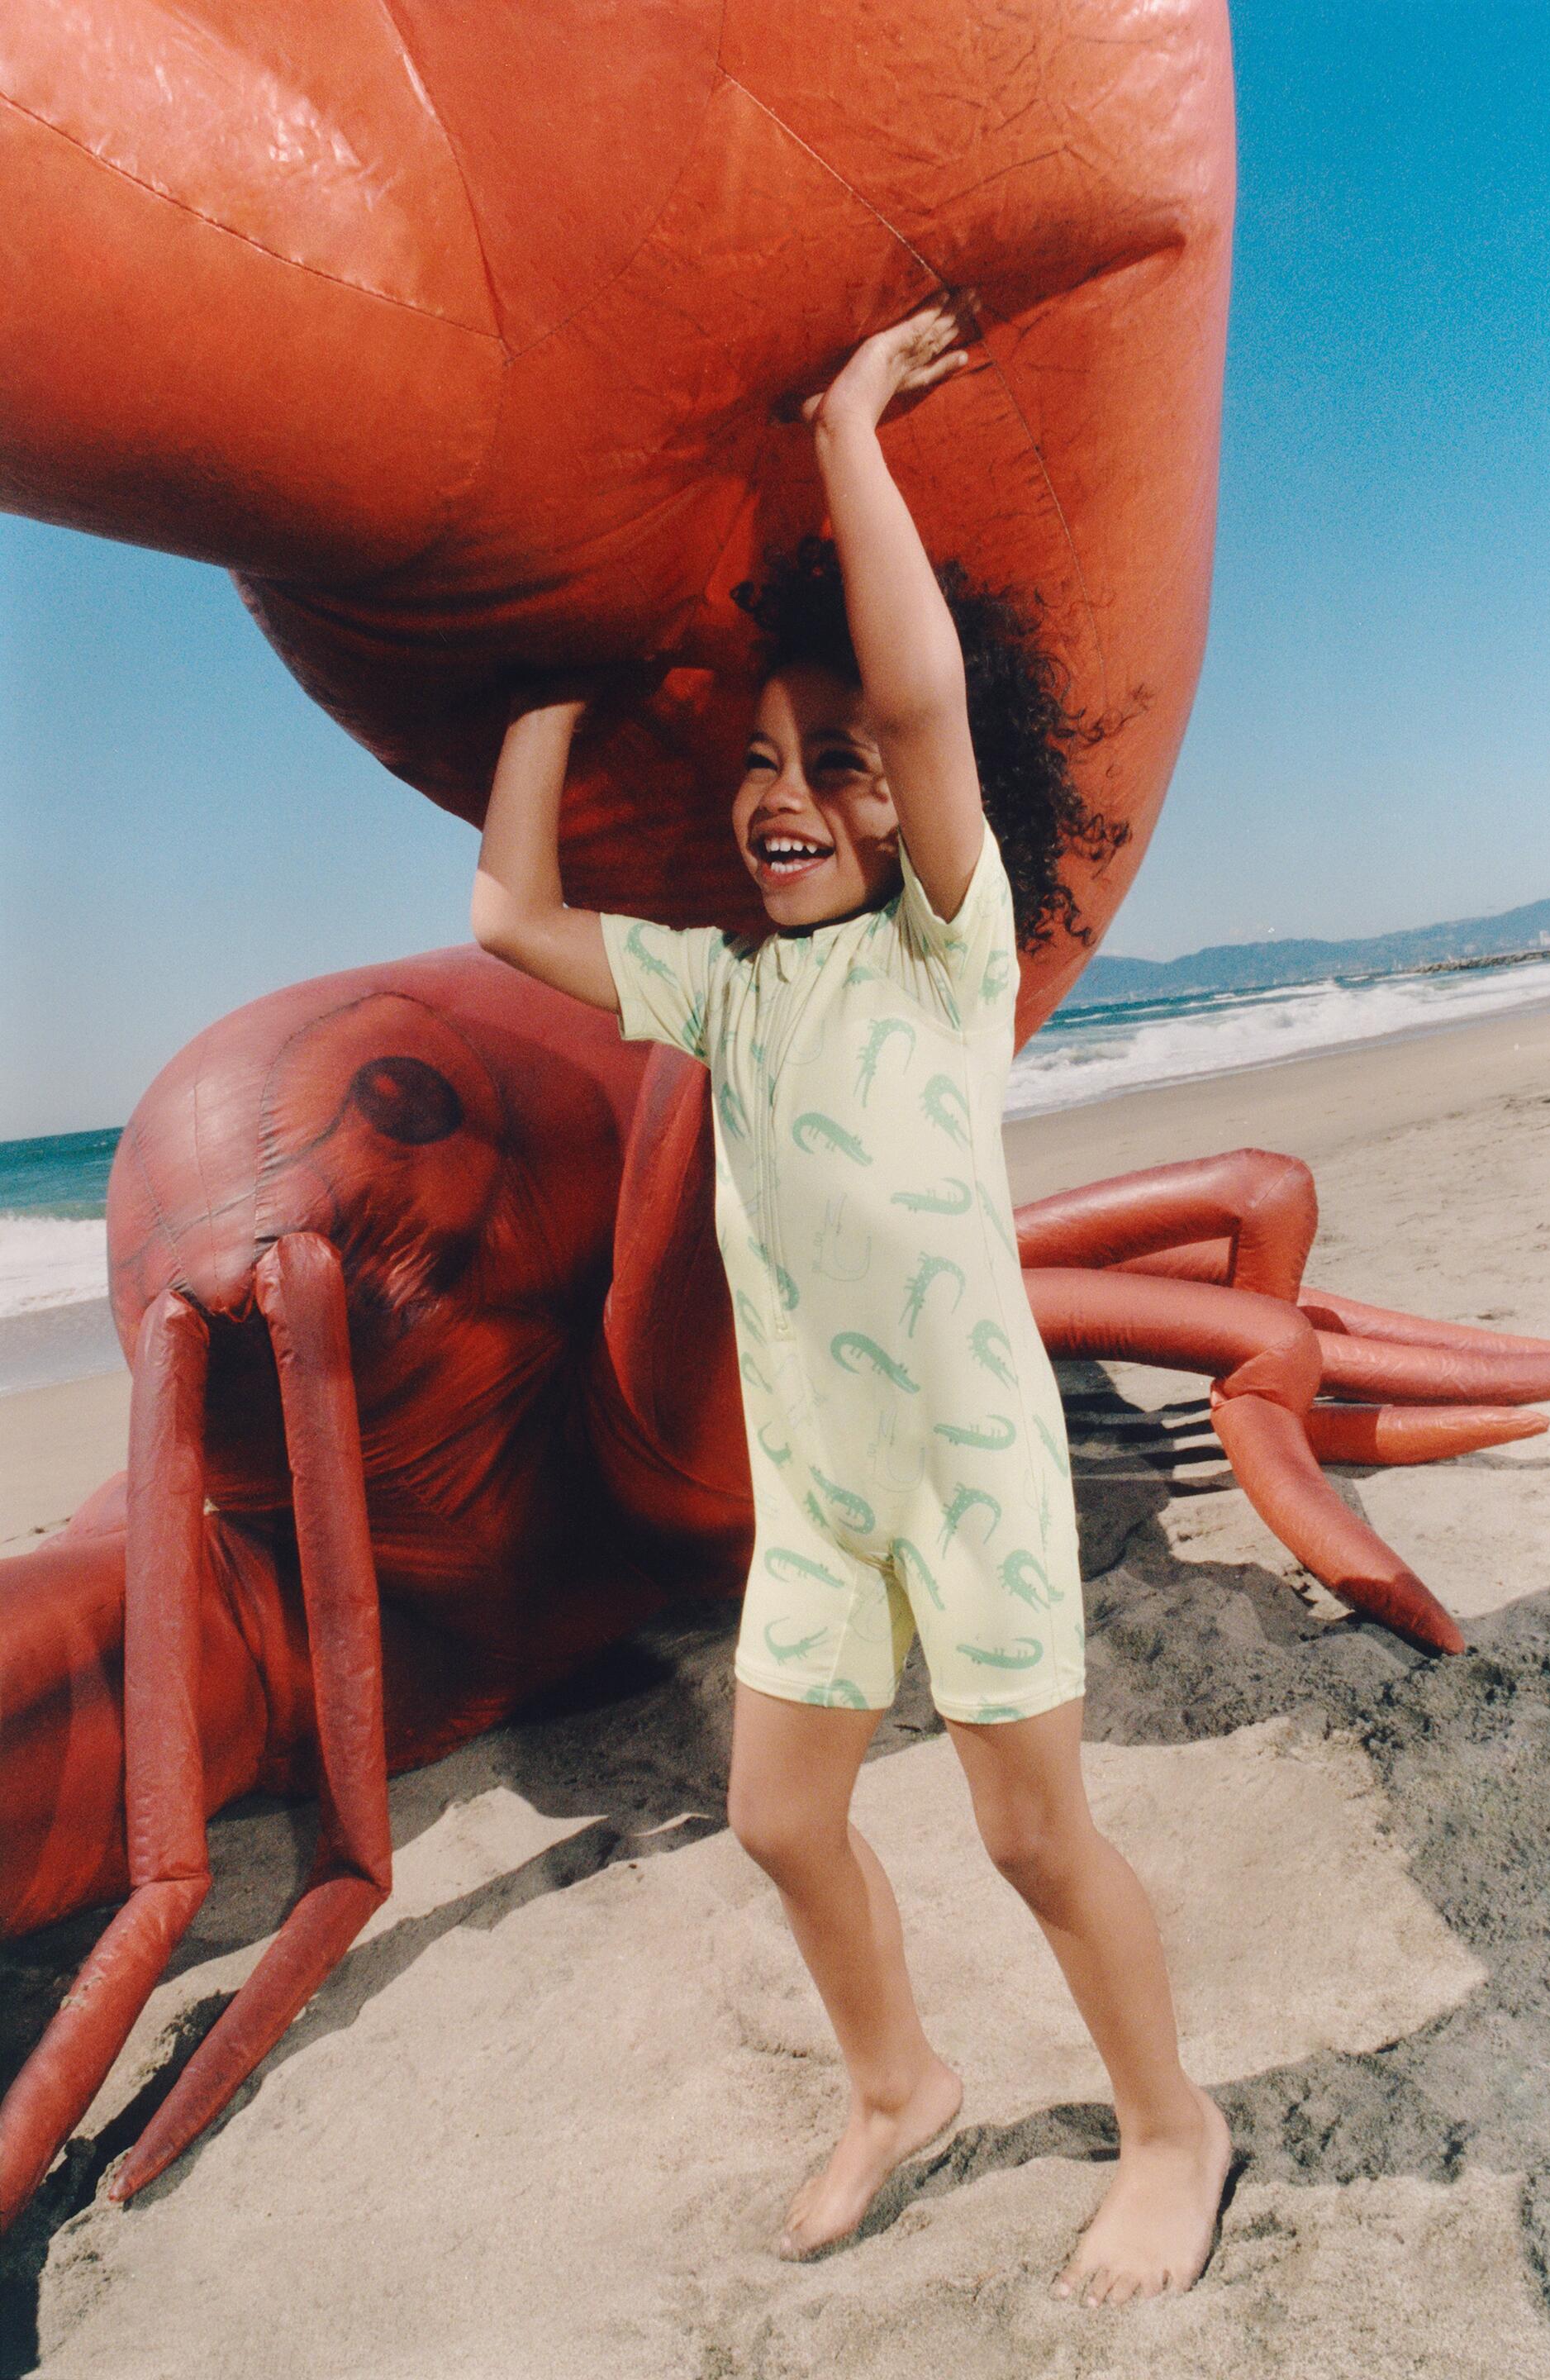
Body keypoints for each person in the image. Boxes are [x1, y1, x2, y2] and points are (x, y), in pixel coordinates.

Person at [471, 296, 1232, 2305]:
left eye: (834, 763)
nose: (788, 788)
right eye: (754, 764)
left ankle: (1175, 2125)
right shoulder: (721, 994)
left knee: (1034, 1840)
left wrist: (849, 434)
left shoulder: (942, 953)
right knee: (780, 1821)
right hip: (820, 1493)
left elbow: (918, 699)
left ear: (905, 802)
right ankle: (900, 2085)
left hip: (974, 1470)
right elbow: (507, 917)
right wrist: (557, 680)